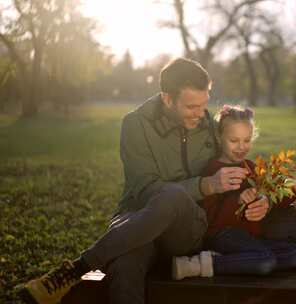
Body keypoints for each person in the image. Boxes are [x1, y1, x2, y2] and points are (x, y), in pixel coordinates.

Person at [19, 58, 270, 304]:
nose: (200, 114)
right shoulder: (135, 125)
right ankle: (67, 278)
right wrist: (205, 185)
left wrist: (260, 196)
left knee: (173, 196)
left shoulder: (209, 125)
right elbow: (144, 190)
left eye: (203, 105)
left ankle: (74, 270)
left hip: (187, 229)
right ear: (167, 98)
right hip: (137, 219)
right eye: (191, 107)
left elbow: (238, 164)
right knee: (125, 265)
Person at [171, 104, 296, 280]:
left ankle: (236, 261)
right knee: (265, 261)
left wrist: (293, 189)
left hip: (251, 238)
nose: (241, 147)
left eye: (247, 140)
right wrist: (237, 201)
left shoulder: (250, 167)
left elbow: (273, 193)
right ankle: (198, 264)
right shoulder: (213, 170)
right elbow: (209, 219)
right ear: (220, 138)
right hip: (223, 236)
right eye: (234, 141)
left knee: (295, 253)